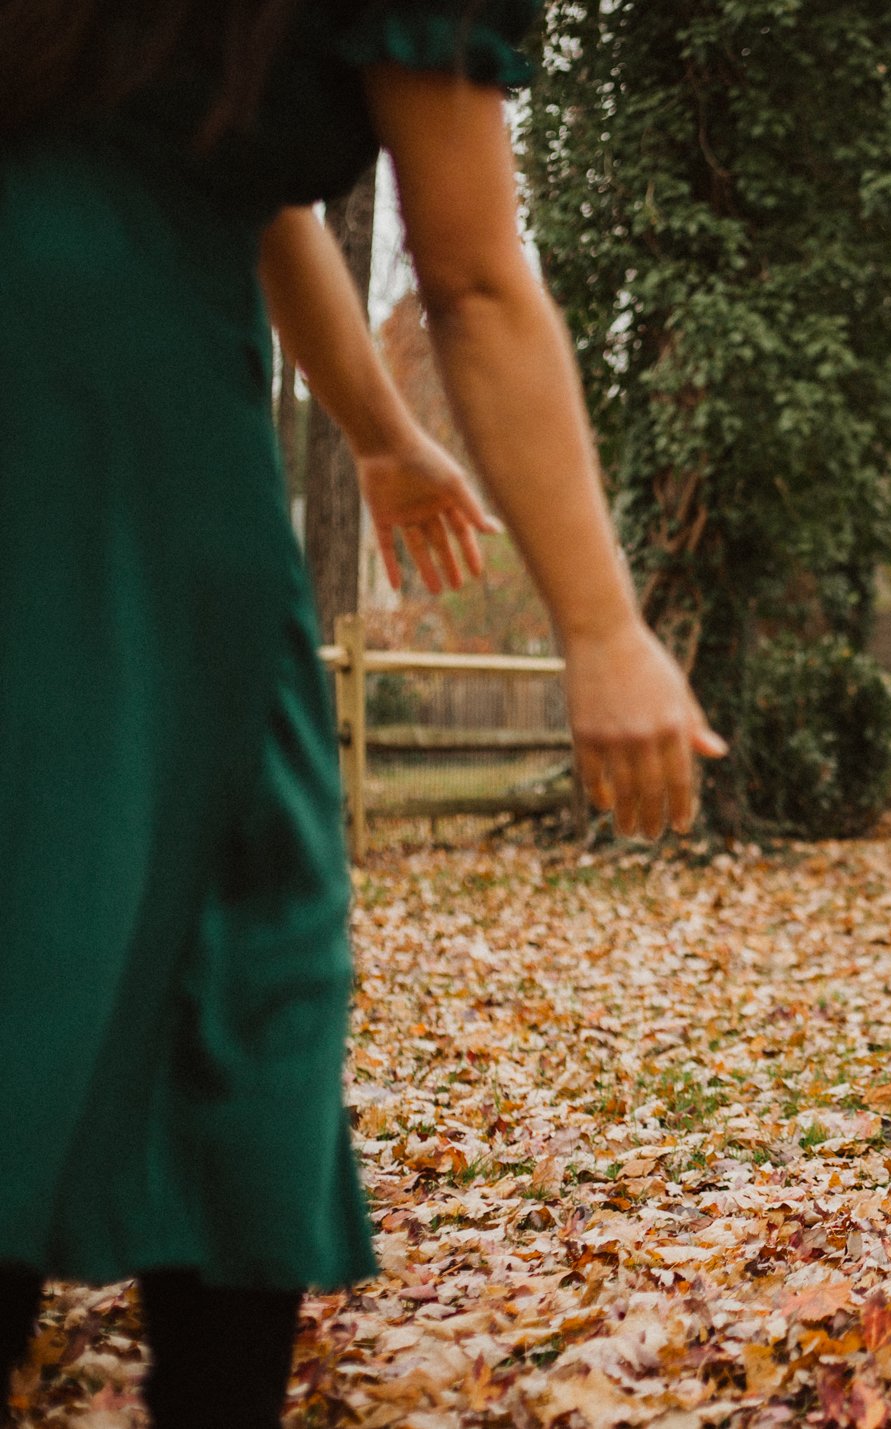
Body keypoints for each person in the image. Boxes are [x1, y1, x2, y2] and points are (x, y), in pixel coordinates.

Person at [0, 4, 722, 1424]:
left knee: (154, 936)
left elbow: (227, 182)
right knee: (209, 960)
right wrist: (599, 624)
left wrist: (383, 433)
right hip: (114, 472)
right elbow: (471, 277)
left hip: (107, 428)